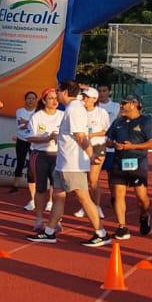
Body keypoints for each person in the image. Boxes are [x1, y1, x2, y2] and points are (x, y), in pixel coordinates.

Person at [34, 83, 108, 247]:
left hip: (73, 164)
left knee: (84, 198)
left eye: (58, 91)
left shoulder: (74, 109)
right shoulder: (72, 108)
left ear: (65, 92)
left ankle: (101, 233)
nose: (57, 94)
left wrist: (91, 154)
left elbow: (80, 136)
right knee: (58, 196)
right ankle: (49, 232)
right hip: (63, 163)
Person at [104, 96, 152, 240]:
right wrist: (114, 145)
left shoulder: (145, 121)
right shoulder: (118, 121)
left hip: (138, 162)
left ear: (134, 105)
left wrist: (132, 146)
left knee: (141, 197)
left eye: (124, 103)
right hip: (119, 161)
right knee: (118, 194)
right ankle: (122, 227)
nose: (121, 105)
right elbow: (108, 141)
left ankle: (144, 215)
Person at [26, 87, 61, 225]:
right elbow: (30, 137)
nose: (54, 101)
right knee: (40, 188)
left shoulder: (63, 115)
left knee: (58, 189)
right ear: (44, 100)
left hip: (58, 155)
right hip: (40, 155)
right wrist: (48, 138)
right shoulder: (37, 116)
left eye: (56, 98)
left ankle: (56, 220)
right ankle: (39, 219)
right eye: (51, 98)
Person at [88, 86, 114, 215]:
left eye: (87, 98)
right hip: (82, 147)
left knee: (93, 179)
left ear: (94, 99)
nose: (85, 100)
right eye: (84, 97)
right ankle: (88, 204)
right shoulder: (80, 111)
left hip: (98, 146)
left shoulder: (101, 112)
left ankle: (97, 206)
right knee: (86, 179)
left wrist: (92, 135)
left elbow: (106, 130)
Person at [13, 90, 38, 203]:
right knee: (20, 162)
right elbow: (21, 126)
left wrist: (27, 123)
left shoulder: (38, 112)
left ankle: (34, 186)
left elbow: (36, 127)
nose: (31, 100)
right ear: (25, 99)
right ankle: (15, 185)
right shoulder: (19, 111)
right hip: (22, 139)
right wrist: (30, 123)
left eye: (33, 98)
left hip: (34, 141)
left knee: (33, 165)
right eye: (29, 98)